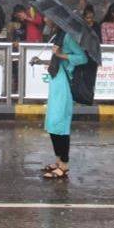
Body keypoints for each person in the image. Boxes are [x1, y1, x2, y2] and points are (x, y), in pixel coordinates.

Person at [38, 20, 88, 180]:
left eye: (47, 18)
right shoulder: (57, 36)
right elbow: (58, 61)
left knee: (61, 123)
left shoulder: (67, 37)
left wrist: (59, 54)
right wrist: (41, 61)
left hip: (64, 85)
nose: (45, 20)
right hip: (55, 82)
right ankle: (58, 160)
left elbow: (82, 58)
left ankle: (64, 165)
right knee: (52, 123)